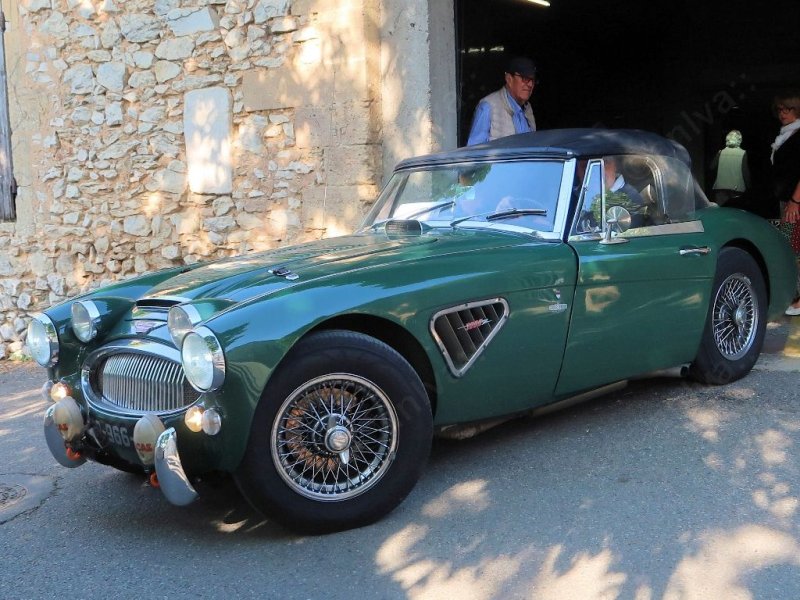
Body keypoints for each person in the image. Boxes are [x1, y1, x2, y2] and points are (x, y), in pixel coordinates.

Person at [770, 92, 800, 315]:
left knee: (794, 247)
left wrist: (795, 201)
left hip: (795, 202)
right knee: (790, 246)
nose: (783, 113)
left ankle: (798, 300)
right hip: (787, 200)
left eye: (787, 109)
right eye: (780, 109)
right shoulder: (786, 136)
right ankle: (795, 296)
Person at [466, 56, 537, 146]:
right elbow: (474, 150)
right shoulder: (488, 106)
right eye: (525, 79)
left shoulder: (527, 109)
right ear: (509, 79)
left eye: (532, 80)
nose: (530, 84)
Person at [710, 130, 750, 205]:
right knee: (736, 209)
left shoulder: (720, 152)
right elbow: (745, 171)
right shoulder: (743, 153)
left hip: (721, 187)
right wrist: (749, 185)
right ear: (739, 140)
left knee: (722, 210)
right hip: (737, 188)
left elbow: (712, 167)